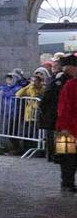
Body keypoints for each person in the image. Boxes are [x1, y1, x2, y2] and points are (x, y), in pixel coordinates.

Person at [42, 54, 77, 193]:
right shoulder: (68, 84)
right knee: (67, 157)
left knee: (67, 157)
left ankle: (67, 182)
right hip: (66, 126)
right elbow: (63, 108)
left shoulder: (66, 83)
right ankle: (67, 183)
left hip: (64, 125)